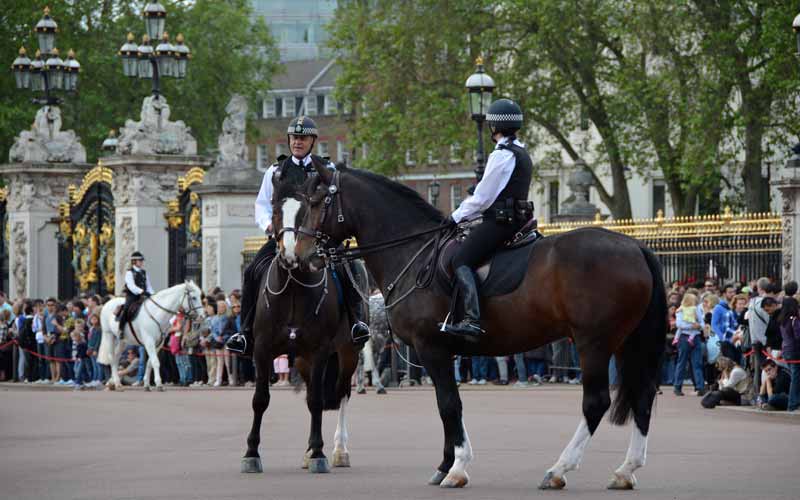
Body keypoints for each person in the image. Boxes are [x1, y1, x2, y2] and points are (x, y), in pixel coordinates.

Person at [226, 115, 370, 354]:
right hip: (284, 240)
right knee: (252, 271)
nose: (297, 142)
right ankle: (245, 332)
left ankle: (356, 323)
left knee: (349, 267)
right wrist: (269, 226)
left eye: (302, 138)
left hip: (319, 241)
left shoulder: (327, 170)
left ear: (312, 141)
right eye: (294, 138)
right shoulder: (275, 171)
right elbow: (261, 205)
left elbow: (336, 204)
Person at [441, 98, 533, 337]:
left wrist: (455, 217)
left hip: (500, 222)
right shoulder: (521, 152)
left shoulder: (501, 155)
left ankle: (472, 319)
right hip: (519, 221)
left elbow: (482, 198)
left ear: (494, 127)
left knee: (460, 260)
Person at [673, 292, 705, 396]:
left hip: (696, 337)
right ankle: (677, 387)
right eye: (693, 301)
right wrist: (693, 326)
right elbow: (679, 324)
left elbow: (702, 323)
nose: (695, 303)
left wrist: (699, 326)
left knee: (697, 363)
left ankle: (700, 387)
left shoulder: (697, 310)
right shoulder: (680, 310)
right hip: (684, 337)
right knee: (682, 362)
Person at [118, 251, 154, 332]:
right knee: (126, 308)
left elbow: (148, 286)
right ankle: (121, 329)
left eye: (142, 261)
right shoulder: (129, 272)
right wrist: (141, 291)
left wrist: (152, 294)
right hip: (133, 296)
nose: (142, 262)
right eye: (140, 261)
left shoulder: (144, 272)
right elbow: (131, 286)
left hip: (143, 295)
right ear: (134, 261)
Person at [777, 294, 800, 412]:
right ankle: (793, 403)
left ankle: (793, 402)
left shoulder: (783, 320)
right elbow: (798, 336)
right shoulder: (794, 320)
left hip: (786, 350)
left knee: (794, 377)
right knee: (796, 378)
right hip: (795, 351)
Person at [711, 284, 740, 364]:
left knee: (737, 363)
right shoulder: (718, 307)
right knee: (729, 364)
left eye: (734, 292)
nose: (733, 294)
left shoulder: (736, 306)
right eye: (730, 292)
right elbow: (714, 324)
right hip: (726, 341)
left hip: (737, 339)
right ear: (724, 294)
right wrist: (722, 338)